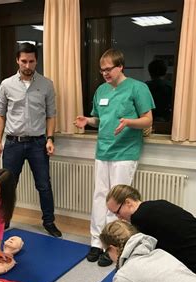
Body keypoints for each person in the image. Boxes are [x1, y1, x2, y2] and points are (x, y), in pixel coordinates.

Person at [74, 48, 155, 267]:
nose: (105, 74)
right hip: (103, 150)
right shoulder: (101, 90)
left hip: (125, 151)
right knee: (99, 195)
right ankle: (96, 242)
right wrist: (87, 121)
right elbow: (100, 119)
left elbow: (147, 120)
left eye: (109, 69)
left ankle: (113, 244)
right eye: (102, 70)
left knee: (117, 201)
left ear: (120, 66)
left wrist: (129, 122)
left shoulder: (138, 88)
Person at [0, 42, 62, 238]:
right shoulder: (6, 85)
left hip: (38, 143)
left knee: (44, 185)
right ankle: (2, 222)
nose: (28, 65)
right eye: (24, 61)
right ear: (17, 60)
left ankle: (49, 222)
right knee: (6, 186)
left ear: (36, 61)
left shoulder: (46, 84)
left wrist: (50, 139)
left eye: (31, 61)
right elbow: (0, 115)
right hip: (13, 143)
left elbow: (51, 115)